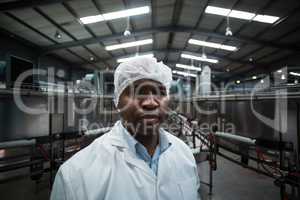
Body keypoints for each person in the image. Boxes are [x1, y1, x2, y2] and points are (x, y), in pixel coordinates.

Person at [50, 57, 200, 200]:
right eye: (137, 92)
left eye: (160, 92)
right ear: (117, 102)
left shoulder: (184, 155)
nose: (151, 103)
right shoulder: (75, 176)